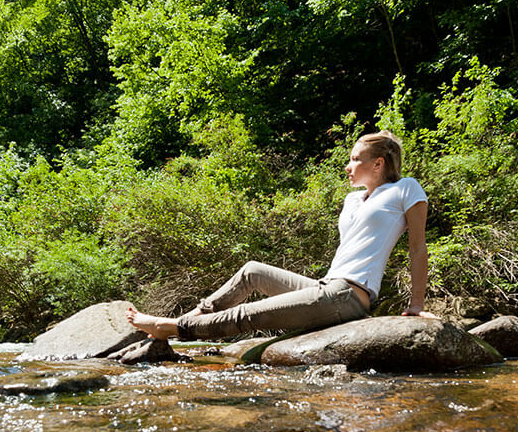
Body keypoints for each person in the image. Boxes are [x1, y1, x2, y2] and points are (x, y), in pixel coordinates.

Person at [126, 130, 430, 341]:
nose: (347, 166)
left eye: (355, 159)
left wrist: (416, 304)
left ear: (378, 163)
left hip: (348, 295)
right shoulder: (353, 199)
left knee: (249, 315)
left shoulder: (406, 188)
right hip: (326, 286)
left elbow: (417, 248)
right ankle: (195, 316)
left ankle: (173, 328)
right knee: (252, 272)